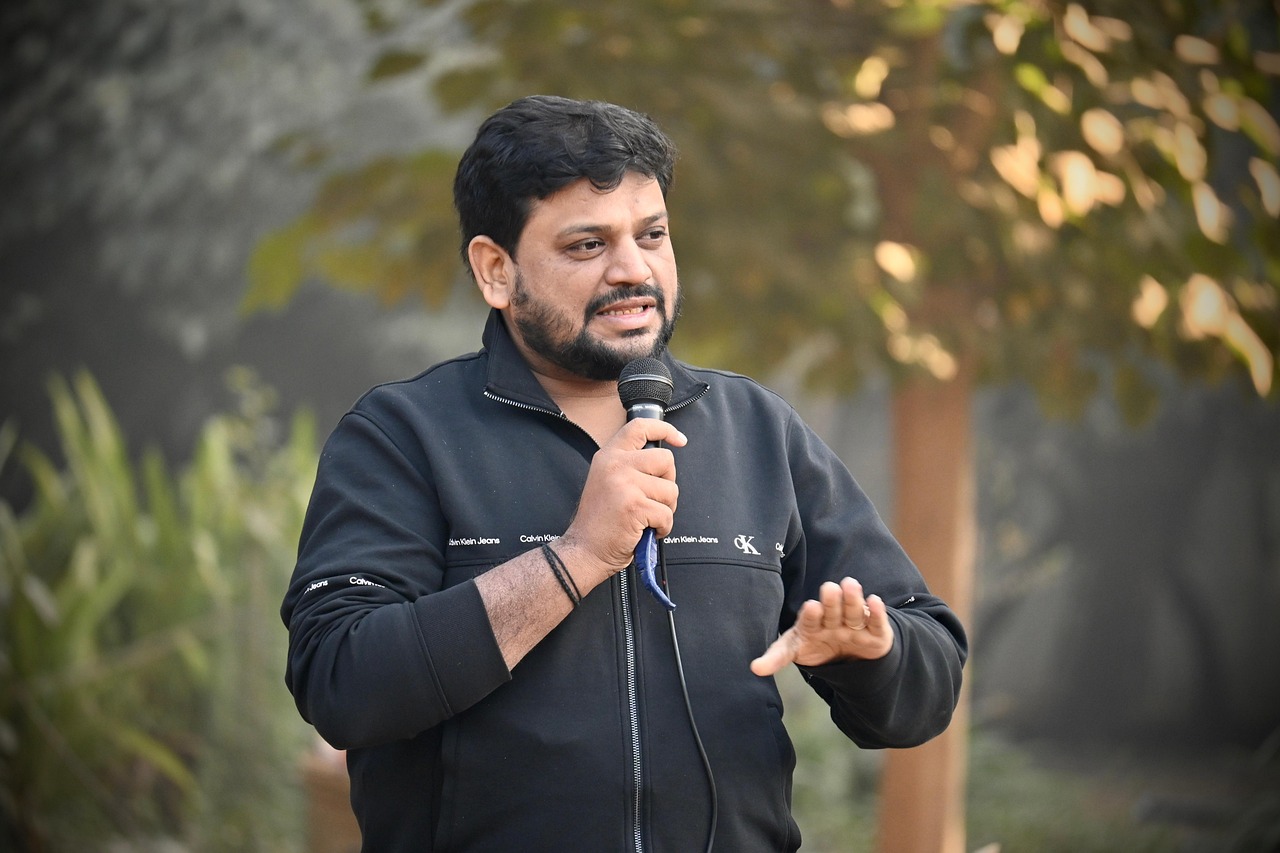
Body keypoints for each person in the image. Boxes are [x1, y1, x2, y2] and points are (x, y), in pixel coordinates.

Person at [281, 94, 967, 853]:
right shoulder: (403, 437)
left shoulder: (757, 431)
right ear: (496, 270)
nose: (634, 269)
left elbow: (926, 678)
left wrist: (874, 653)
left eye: (652, 234)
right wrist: (574, 557)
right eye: (587, 245)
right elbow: (342, 682)